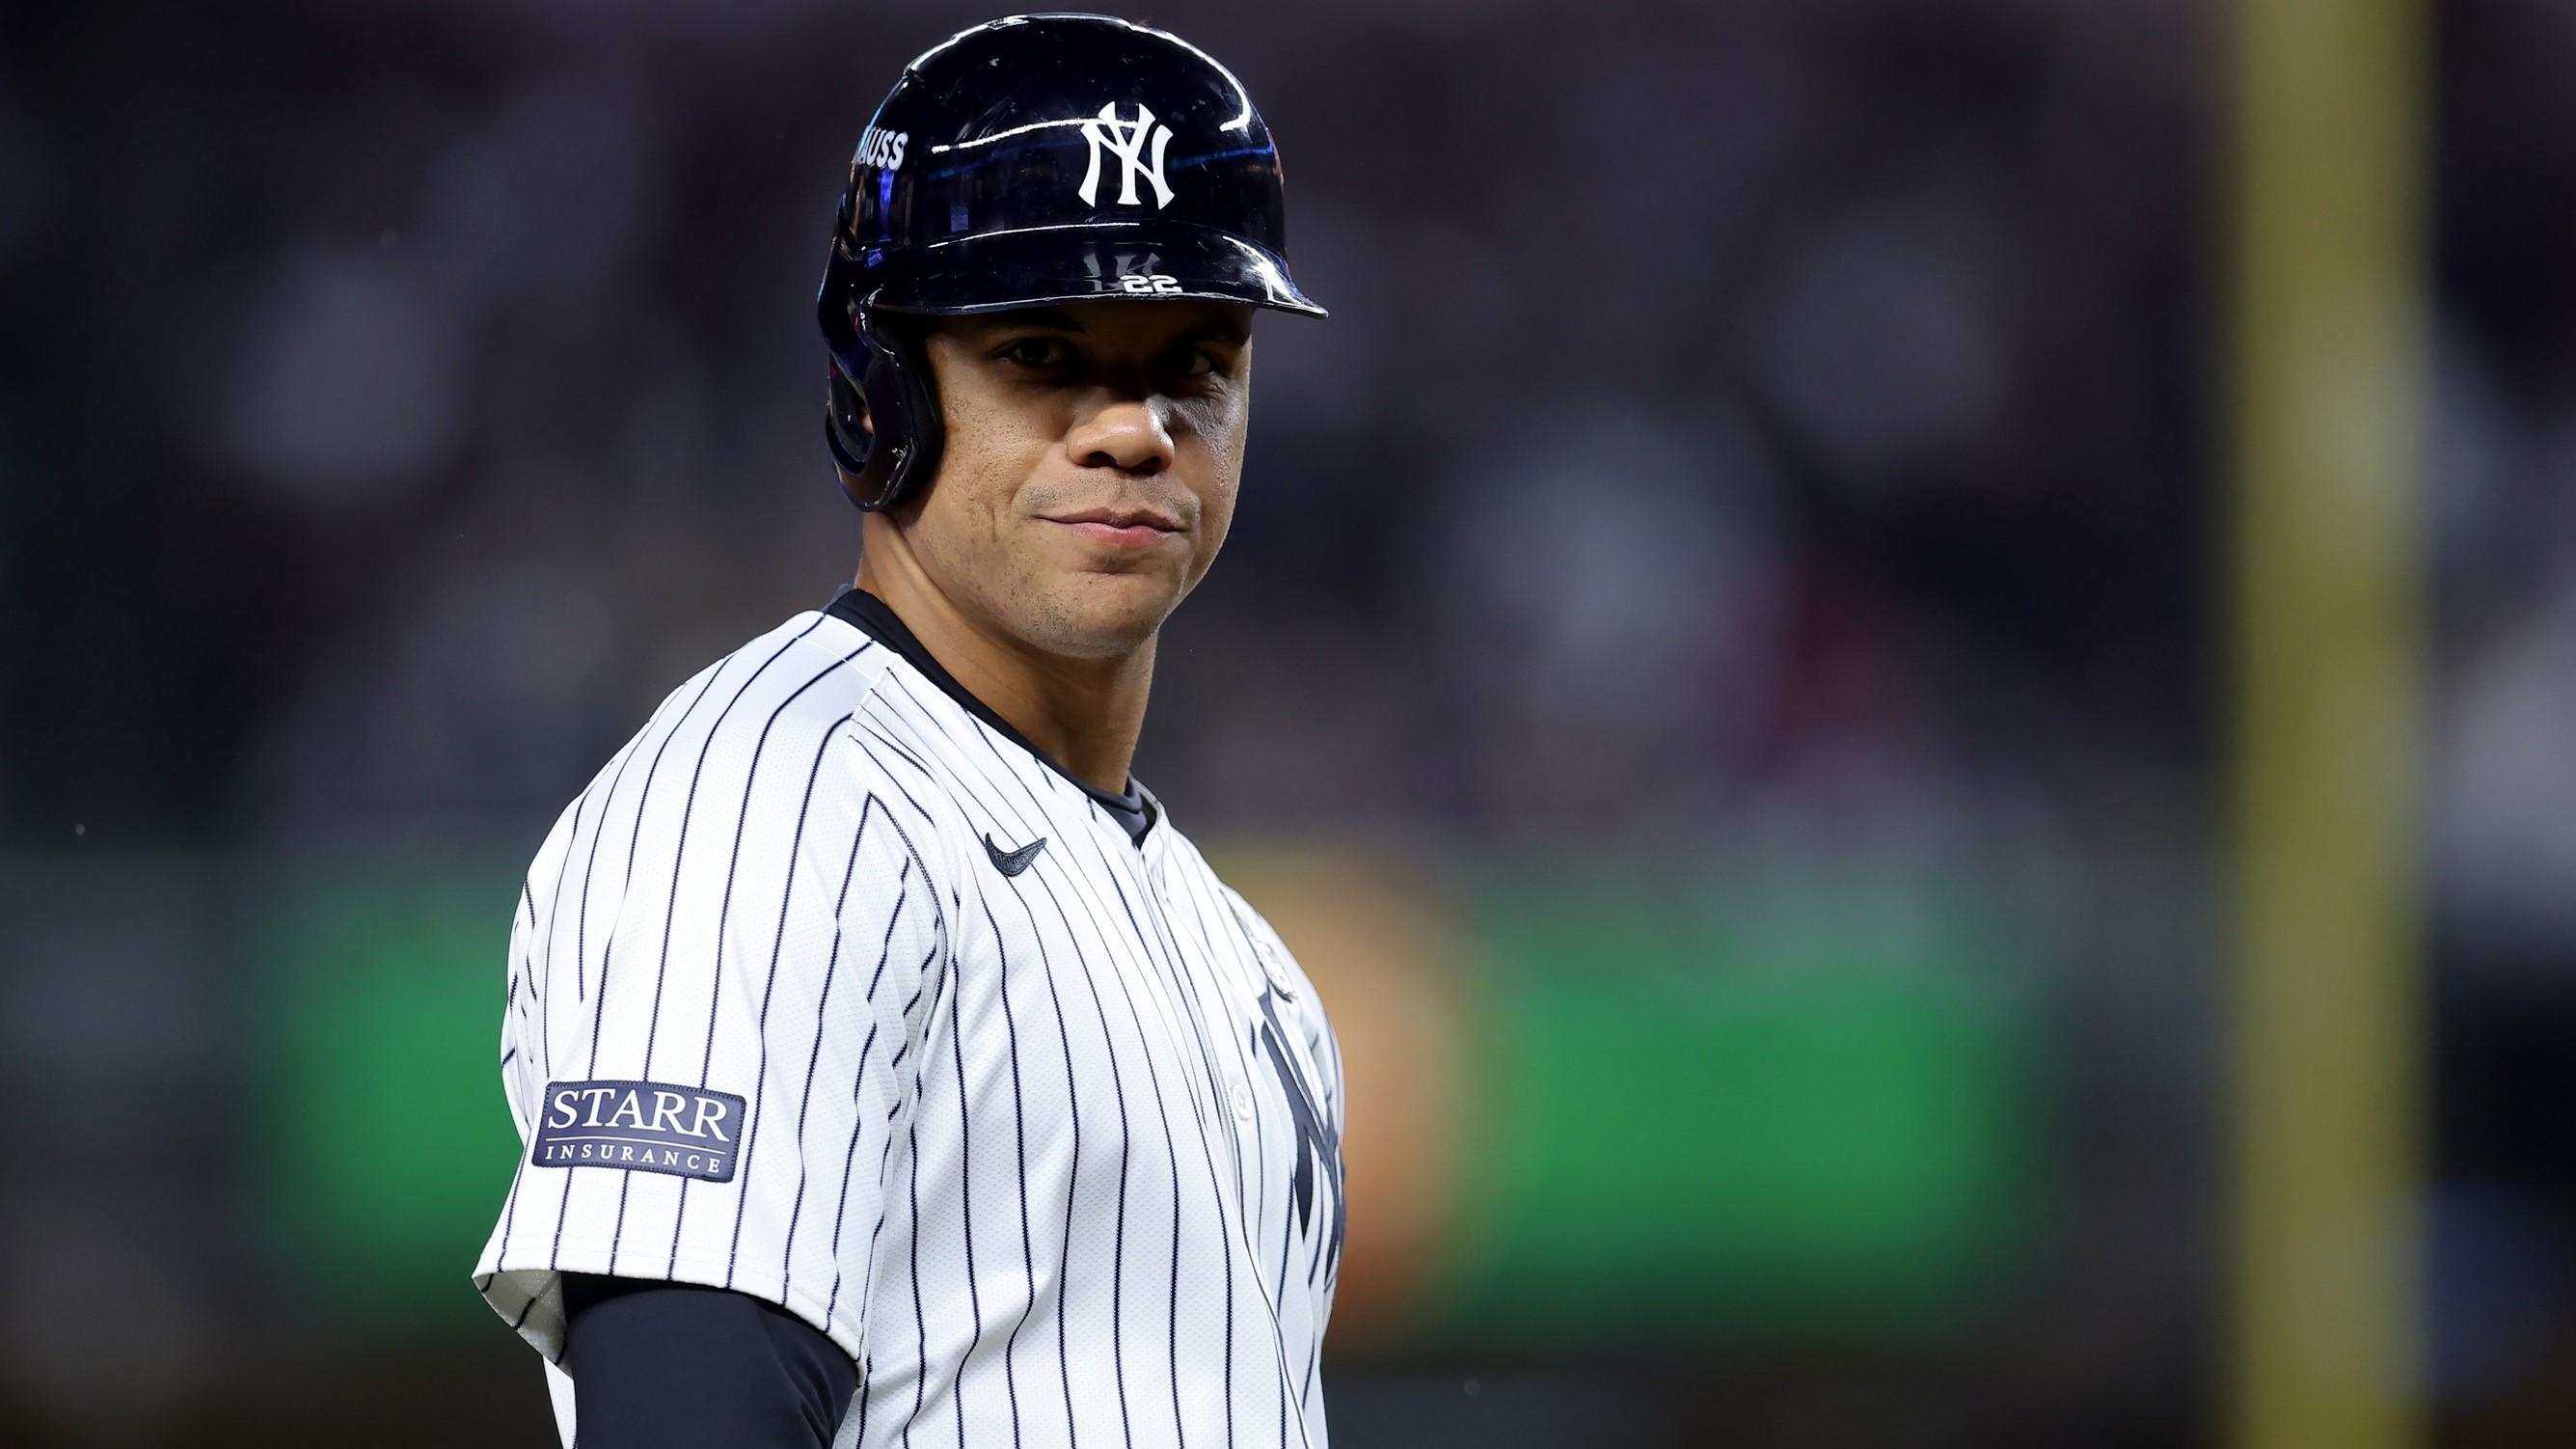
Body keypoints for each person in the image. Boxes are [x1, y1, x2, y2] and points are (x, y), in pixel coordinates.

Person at [470, 14, 1347, 1448]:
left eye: (1195, 359)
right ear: (880, 386)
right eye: (1045, 351)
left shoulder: (1244, 962)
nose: (1136, 427)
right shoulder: (769, 808)